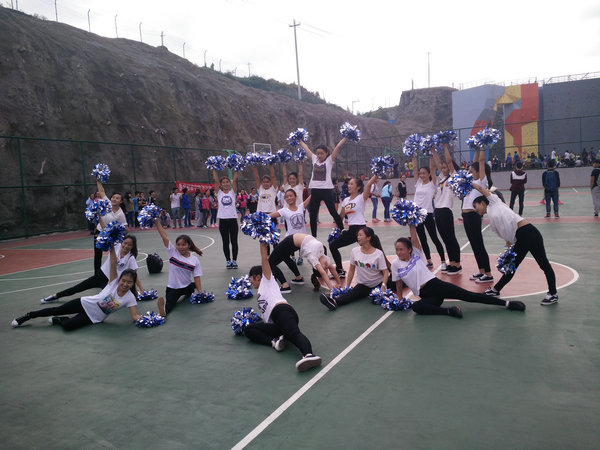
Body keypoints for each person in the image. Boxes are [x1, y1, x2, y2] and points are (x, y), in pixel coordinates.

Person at [389, 225, 525, 318]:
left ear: (409, 249)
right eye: (397, 249)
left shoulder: (416, 255)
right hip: (425, 295)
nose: (399, 252)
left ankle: (507, 304)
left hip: (435, 285)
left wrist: (411, 225)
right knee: (417, 308)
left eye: (401, 249)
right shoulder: (395, 264)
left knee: (469, 296)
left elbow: (414, 238)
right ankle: (449, 311)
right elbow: (398, 283)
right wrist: (400, 299)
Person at [12, 246, 141, 330]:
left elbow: (135, 316)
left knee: (68, 326)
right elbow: (113, 261)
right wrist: (112, 246)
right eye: (123, 281)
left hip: (93, 318)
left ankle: (60, 320)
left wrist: (149, 319)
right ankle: (28, 316)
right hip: (84, 303)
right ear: (119, 279)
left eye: (129, 282)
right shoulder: (113, 282)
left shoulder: (130, 298)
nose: (125, 284)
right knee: (57, 310)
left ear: (132, 283)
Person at [472, 184, 558, 306]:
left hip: (529, 233)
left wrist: (468, 182)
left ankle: (553, 294)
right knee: (510, 266)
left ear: (482, 203)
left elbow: (481, 189)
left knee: (544, 264)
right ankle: (495, 290)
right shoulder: (491, 219)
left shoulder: (494, 202)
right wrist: (508, 250)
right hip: (520, 238)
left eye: (476, 207)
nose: (476, 211)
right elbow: (508, 234)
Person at [244, 242, 323, 372]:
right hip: (277, 322)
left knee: (294, 334)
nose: (250, 281)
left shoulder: (267, 280)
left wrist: (262, 242)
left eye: (251, 278)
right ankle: (275, 342)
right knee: (249, 330)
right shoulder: (260, 293)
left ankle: (309, 355)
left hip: (282, 312)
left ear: (258, 277)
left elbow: (264, 259)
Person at [40, 233, 143, 304]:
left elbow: (134, 276)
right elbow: (106, 230)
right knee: (78, 288)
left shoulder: (130, 258)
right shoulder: (116, 246)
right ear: (122, 242)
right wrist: (99, 215)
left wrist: (141, 290)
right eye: (125, 243)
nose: (126, 246)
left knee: (104, 301)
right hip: (101, 275)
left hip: (111, 282)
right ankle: (55, 296)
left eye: (129, 245)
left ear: (132, 247)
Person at [320, 227, 393, 310]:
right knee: (353, 293)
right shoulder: (354, 251)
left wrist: (383, 286)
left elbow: (385, 272)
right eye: (357, 235)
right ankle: (334, 302)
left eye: (360, 235)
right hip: (363, 285)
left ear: (368, 238)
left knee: (397, 282)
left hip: (378, 284)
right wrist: (347, 286)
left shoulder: (378, 254)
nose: (358, 237)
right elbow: (351, 270)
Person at [329, 175, 378, 278]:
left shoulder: (361, 198)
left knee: (373, 250)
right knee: (333, 246)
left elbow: (368, 184)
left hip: (361, 229)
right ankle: (340, 270)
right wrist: (337, 230)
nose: (349, 186)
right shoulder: (346, 200)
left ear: (358, 187)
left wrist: (377, 173)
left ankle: (382, 270)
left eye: (352, 184)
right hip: (351, 230)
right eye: (348, 184)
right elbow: (341, 217)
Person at [154, 219, 203, 316]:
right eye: (178, 245)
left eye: (183, 245)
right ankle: (163, 310)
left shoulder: (194, 260)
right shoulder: (172, 253)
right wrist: (157, 221)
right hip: (173, 288)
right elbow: (164, 236)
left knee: (192, 287)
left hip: (187, 286)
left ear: (189, 245)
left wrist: (200, 291)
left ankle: (193, 287)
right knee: (170, 305)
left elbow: (196, 277)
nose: (180, 247)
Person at [299, 136, 346, 236]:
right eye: (318, 153)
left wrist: (345, 138)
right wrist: (300, 140)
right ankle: (313, 236)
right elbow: (306, 148)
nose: (319, 155)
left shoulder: (329, 160)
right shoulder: (314, 159)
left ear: (326, 153)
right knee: (313, 215)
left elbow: (337, 147)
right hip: (315, 190)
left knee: (333, 212)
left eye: (322, 153)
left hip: (326, 190)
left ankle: (342, 230)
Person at [267, 189, 311, 293]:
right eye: (287, 196)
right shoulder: (284, 211)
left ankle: (285, 285)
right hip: (291, 241)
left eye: (291, 195)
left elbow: (311, 197)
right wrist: (255, 217)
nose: (289, 198)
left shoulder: (301, 207)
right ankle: (299, 278)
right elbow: (269, 216)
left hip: (296, 240)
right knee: (286, 257)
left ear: (295, 197)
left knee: (269, 262)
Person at [462, 146, 494, 283]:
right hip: (465, 215)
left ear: (477, 171)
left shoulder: (481, 181)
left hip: (474, 215)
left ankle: (488, 273)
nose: (470, 172)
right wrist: (474, 149)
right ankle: (481, 271)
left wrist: (481, 148)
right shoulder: (470, 180)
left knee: (479, 244)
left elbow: (480, 161)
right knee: (474, 244)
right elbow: (474, 162)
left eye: (472, 171)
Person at [431, 145, 462, 274]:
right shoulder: (441, 179)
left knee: (451, 238)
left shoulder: (454, 178)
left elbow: (448, 161)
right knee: (445, 239)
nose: (444, 169)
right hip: (437, 211)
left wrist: (444, 145)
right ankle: (452, 262)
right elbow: (438, 163)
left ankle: (457, 264)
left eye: (446, 167)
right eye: (442, 168)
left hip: (446, 211)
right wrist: (432, 149)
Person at [412, 154, 446, 270]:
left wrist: (431, 155)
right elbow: (414, 168)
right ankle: (428, 260)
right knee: (422, 239)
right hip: (417, 215)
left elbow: (432, 168)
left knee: (434, 238)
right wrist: (413, 156)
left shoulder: (432, 184)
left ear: (429, 174)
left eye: (424, 173)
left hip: (428, 214)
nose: (421, 175)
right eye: (420, 173)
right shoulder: (418, 183)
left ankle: (443, 261)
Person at [93, 178, 127, 274]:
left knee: (114, 254)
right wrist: (98, 180)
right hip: (99, 231)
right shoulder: (107, 203)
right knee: (97, 255)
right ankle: (97, 275)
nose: (114, 199)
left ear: (121, 201)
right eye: (113, 197)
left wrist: (119, 236)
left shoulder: (120, 214)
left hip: (111, 236)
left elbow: (126, 228)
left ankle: (114, 273)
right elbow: (102, 191)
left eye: (117, 198)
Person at [212, 169, 240, 268]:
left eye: (227, 182)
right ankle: (228, 261)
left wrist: (237, 169)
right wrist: (213, 168)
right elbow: (215, 181)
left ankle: (234, 260)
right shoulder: (219, 193)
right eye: (223, 182)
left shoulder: (232, 192)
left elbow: (235, 181)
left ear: (229, 183)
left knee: (234, 241)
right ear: (221, 184)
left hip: (233, 220)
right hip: (223, 221)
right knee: (225, 242)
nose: (225, 184)